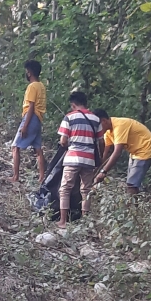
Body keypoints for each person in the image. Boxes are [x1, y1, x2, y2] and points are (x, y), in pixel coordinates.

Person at [56, 92, 104, 229]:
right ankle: (85, 222)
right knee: (86, 190)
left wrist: (68, 142)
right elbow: (101, 142)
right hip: (89, 159)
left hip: (73, 157)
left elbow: (63, 141)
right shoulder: (95, 119)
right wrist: (100, 158)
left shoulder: (69, 117)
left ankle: (63, 221)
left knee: (65, 188)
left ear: (73, 104)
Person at [94, 112, 151, 194]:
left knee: (131, 185)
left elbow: (117, 152)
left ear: (103, 121)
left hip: (145, 150)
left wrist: (103, 172)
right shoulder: (108, 131)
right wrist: (97, 169)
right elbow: (105, 153)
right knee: (131, 182)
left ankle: (132, 206)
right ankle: (138, 199)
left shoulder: (119, 126)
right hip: (135, 152)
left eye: (97, 126)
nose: (96, 130)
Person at [11, 60, 47, 183]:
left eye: (27, 71)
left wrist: (25, 125)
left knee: (15, 147)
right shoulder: (41, 86)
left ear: (29, 72)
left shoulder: (32, 86)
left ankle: (15, 177)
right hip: (38, 119)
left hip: (31, 118)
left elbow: (31, 106)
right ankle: (42, 177)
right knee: (38, 149)